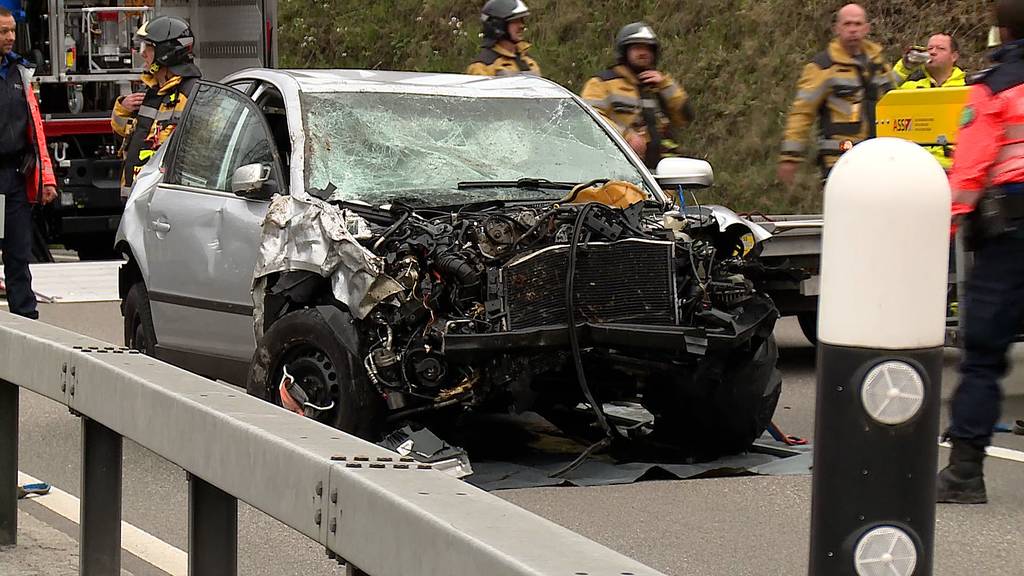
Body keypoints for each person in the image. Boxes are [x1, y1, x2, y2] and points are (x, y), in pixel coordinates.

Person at [937, 0, 1024, 505]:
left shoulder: (993, 86)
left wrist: (945, 232)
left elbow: (968, 174)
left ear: (1002, 29)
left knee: (983, 355)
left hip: (1011, 238)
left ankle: (965, 473)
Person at [778, 3, 901, 185]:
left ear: (866, 28)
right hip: (840, 161)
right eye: (847, 24)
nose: (853, 30)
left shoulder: (877, 61)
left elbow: (891, 98)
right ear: (837, 28)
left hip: (878, 157)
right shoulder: (823, 66)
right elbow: (802, 113)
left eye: (858, 24)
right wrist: (790, 157)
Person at [0, 7, 56, 320]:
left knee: (18, 254)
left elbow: (36, 131)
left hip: (16, 177)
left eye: (11, 31)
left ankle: (26, 322)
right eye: (3, 32)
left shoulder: (20, 73)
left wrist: (46, 178)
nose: (10, 37)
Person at [580, 22, 694, 169]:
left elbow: (685, 117)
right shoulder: (601, 83)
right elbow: (588, 119)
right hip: (619, 171)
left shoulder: (660, 84)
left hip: (664, 176)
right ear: (624, 51)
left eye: (648, 48)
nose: (643, 53)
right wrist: (625, 137)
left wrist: (666, 85)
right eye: (637, 47)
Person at [111, 15, 201, 199]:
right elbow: (125, 138)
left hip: (168, 202)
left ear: (166, 52)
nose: (143, 53)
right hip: (138, 199)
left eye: (149, 48)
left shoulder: (192, 94)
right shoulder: (150, 92)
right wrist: (123, 109)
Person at [894, 34, 967, 169]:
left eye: (940, 49)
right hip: (916, 168)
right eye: (930, 48)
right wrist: (905, 67)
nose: (933, 52)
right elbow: (880, 93)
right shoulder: (912, 87)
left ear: (954, 56)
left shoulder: (968, 88)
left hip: (955, 170)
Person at [466, 0, 541, 77]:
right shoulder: (481, 67)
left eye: (521, 20)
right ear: (499, 25)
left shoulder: (528, 61)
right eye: (515, 21)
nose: (522, 26)